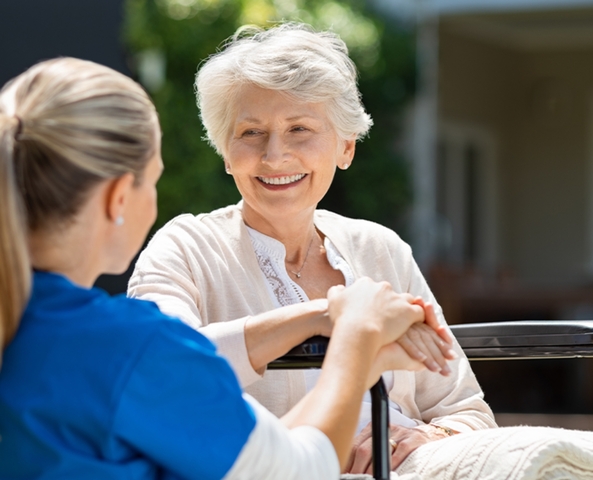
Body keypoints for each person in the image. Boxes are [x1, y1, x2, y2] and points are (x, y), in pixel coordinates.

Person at [0, 57, 449, 479]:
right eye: (154, 179)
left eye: (299, 128)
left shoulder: (30, 328)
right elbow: (296, 471)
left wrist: (326, 319)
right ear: (119, 197)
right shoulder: (132, 347)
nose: (275, 155)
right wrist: (356, 336)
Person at [127, 22, 497, 474]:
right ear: (226, 153)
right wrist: (328, 316)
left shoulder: (381, 249)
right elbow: (163, 371)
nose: (275, 156)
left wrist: (424, 437)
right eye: (250, 133)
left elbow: (467, 411)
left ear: (345, 147)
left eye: (299, 128)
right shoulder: (184, 247)